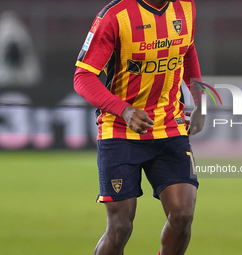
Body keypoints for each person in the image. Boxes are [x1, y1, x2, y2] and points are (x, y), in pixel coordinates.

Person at [73, 0, 205, 254]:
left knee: (182, 216)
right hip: (120, 131)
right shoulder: (114, 16)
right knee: (121, 227)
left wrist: (200, 103)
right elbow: (83, 77)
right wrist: (124, 109)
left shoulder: (186, 7)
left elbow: (187, 50)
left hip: (169, 126)